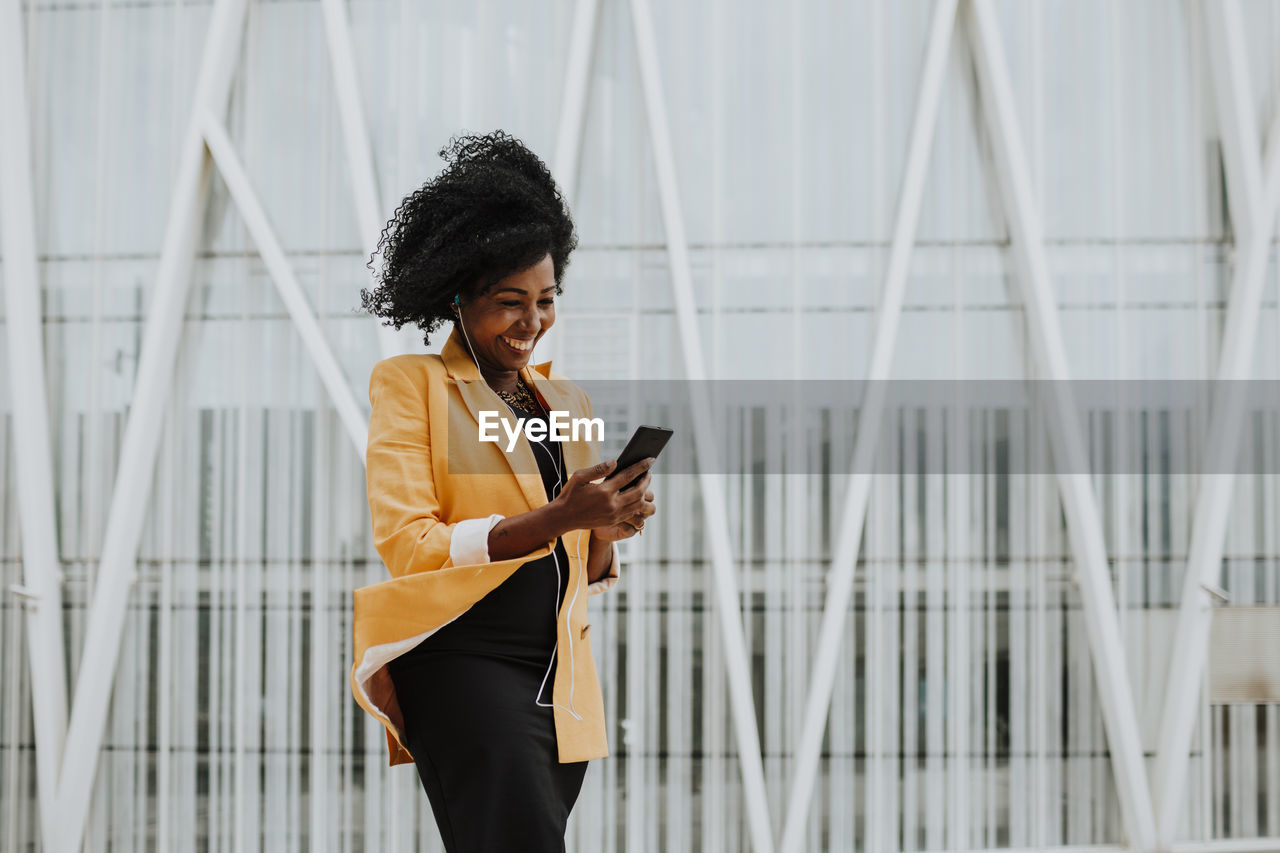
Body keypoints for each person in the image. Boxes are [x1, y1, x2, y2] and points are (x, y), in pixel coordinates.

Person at [348, 130, 657, 853]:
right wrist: (558, 515)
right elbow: (409, 542)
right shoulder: (411, 386)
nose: (532, 322)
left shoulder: (567, 401)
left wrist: (606, 531)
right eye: (509, 301)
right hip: (463, 661)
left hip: (560, 682)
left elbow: (581, 560)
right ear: (457, 297)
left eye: (546, 300)